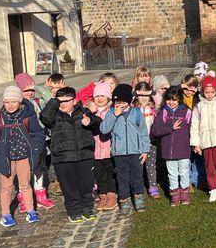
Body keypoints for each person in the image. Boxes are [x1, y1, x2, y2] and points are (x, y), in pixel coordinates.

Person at [0, 86, 45, 227]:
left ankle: (31, 211)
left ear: (20, 102)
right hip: (6, 159)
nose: (10, 105)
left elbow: (38, 134)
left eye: (13, 102)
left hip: (24, 156)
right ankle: (5, 214)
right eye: (7, 102)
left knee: (25, 185)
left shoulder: (28, 117)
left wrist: (36, 150)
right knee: (6, 187)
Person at [40, 87, 95, 223]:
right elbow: (44, 117)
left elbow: (98, 123)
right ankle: (74, 211)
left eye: (66, 101)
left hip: (84, 155)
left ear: (74, 101)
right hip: (63, 158)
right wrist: (54, 102)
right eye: (60, 101)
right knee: (69, 187)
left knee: (86, 185)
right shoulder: (54, 115)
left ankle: (87, 209)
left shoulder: (84, 112)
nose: (63, 104)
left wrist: (90, 122)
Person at [101, 84, 150, 214]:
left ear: (129, 101)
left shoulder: (136, 112)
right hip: (120, 153)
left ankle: (138, 198)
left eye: (123, 102)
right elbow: (104, 129)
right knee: (122, 178)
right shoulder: (111, 112)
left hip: (136, 152)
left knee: (137, 176)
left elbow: (143, 132)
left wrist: (145, 150)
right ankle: (124, 200)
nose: (120, 105)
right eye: (117, 102)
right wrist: (114, 115)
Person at [14, 73, 55, 210]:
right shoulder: (16, 105)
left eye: (32, 90)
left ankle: (40, 195)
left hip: (40, 141)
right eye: (26, 90)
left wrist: (36, 87)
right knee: (24, 171)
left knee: (39, 168)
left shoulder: (38, 101)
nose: (30, 93)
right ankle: (24, 197)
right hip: (24, 143)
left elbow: (50, 100)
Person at [150, 86, 192, 206]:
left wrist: (194, 144)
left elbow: (193, 129)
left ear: (180, 100)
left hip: (183, 149)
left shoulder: (187, 112)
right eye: (169, 99)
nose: (171, 102)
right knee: (172, 173)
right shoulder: (163, 112)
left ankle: (185, 194)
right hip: (169, 151)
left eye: (174, 99)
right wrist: (170, 127)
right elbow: (155, 131)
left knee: (184, 171)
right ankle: (174, 195)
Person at [85, 82, 117, 211]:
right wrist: (89, 111)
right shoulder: (90, 111)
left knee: (110, 173)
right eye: (97, 96)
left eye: (103, 95)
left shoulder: (112, 110)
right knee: (99, 174)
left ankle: (112, 195)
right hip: (95, 150)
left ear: (108, 97)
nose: (99, 98)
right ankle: (103, 195)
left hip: (109, 149)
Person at [132, 82, 159, 199]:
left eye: (146, 95)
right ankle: (137, 188)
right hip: (136, 143)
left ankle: (153, 187)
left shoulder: (153, 109)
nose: (143, 98)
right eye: (140, 95)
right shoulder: (133, 109)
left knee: (151, 166)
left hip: (151, 142)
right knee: (137, 167)